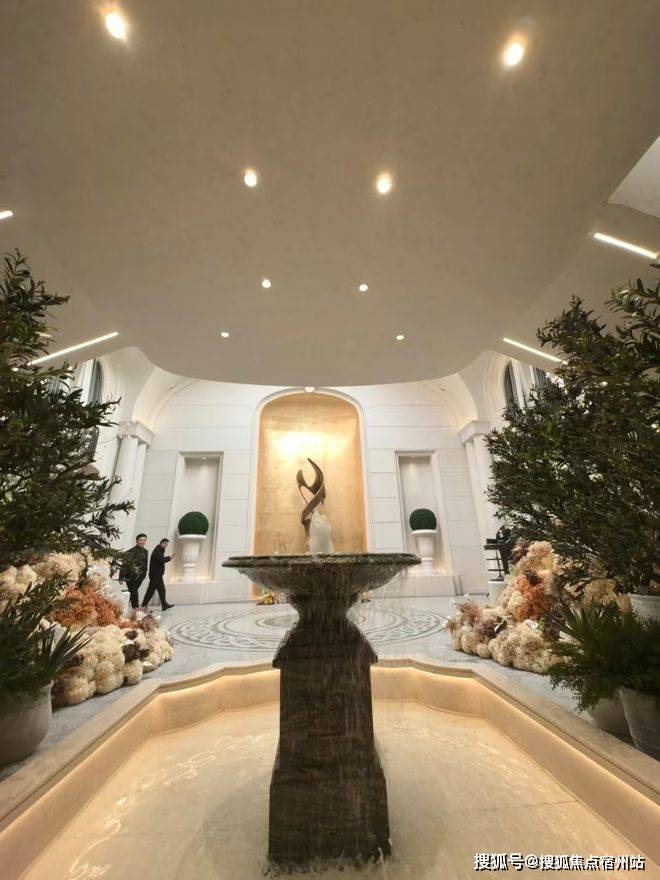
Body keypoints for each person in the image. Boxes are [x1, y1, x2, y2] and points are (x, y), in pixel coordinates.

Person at [142, 538, 175, 611]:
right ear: (162, 543)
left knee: (162, 590)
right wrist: (169, 558)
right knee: (151, 590)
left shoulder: (159, 550)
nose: (166, 546)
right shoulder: (157, 551)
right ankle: (143, 605)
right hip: (155, 575)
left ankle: (164, 605)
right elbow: (161, 560)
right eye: (166, 544)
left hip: (158, 575)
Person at [119, 533, 149, 610]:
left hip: (140, 577)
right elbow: (124, 565)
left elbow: (145, 564)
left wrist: (144, 574)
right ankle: (136, 608)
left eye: (144, 540)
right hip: (130, 576)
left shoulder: (146, 551)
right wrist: (121, 577)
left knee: (132, 592)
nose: (142, 542)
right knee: (134, 592)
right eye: (140, 540)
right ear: (137, 541)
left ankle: (122, 608)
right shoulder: (130, 552)